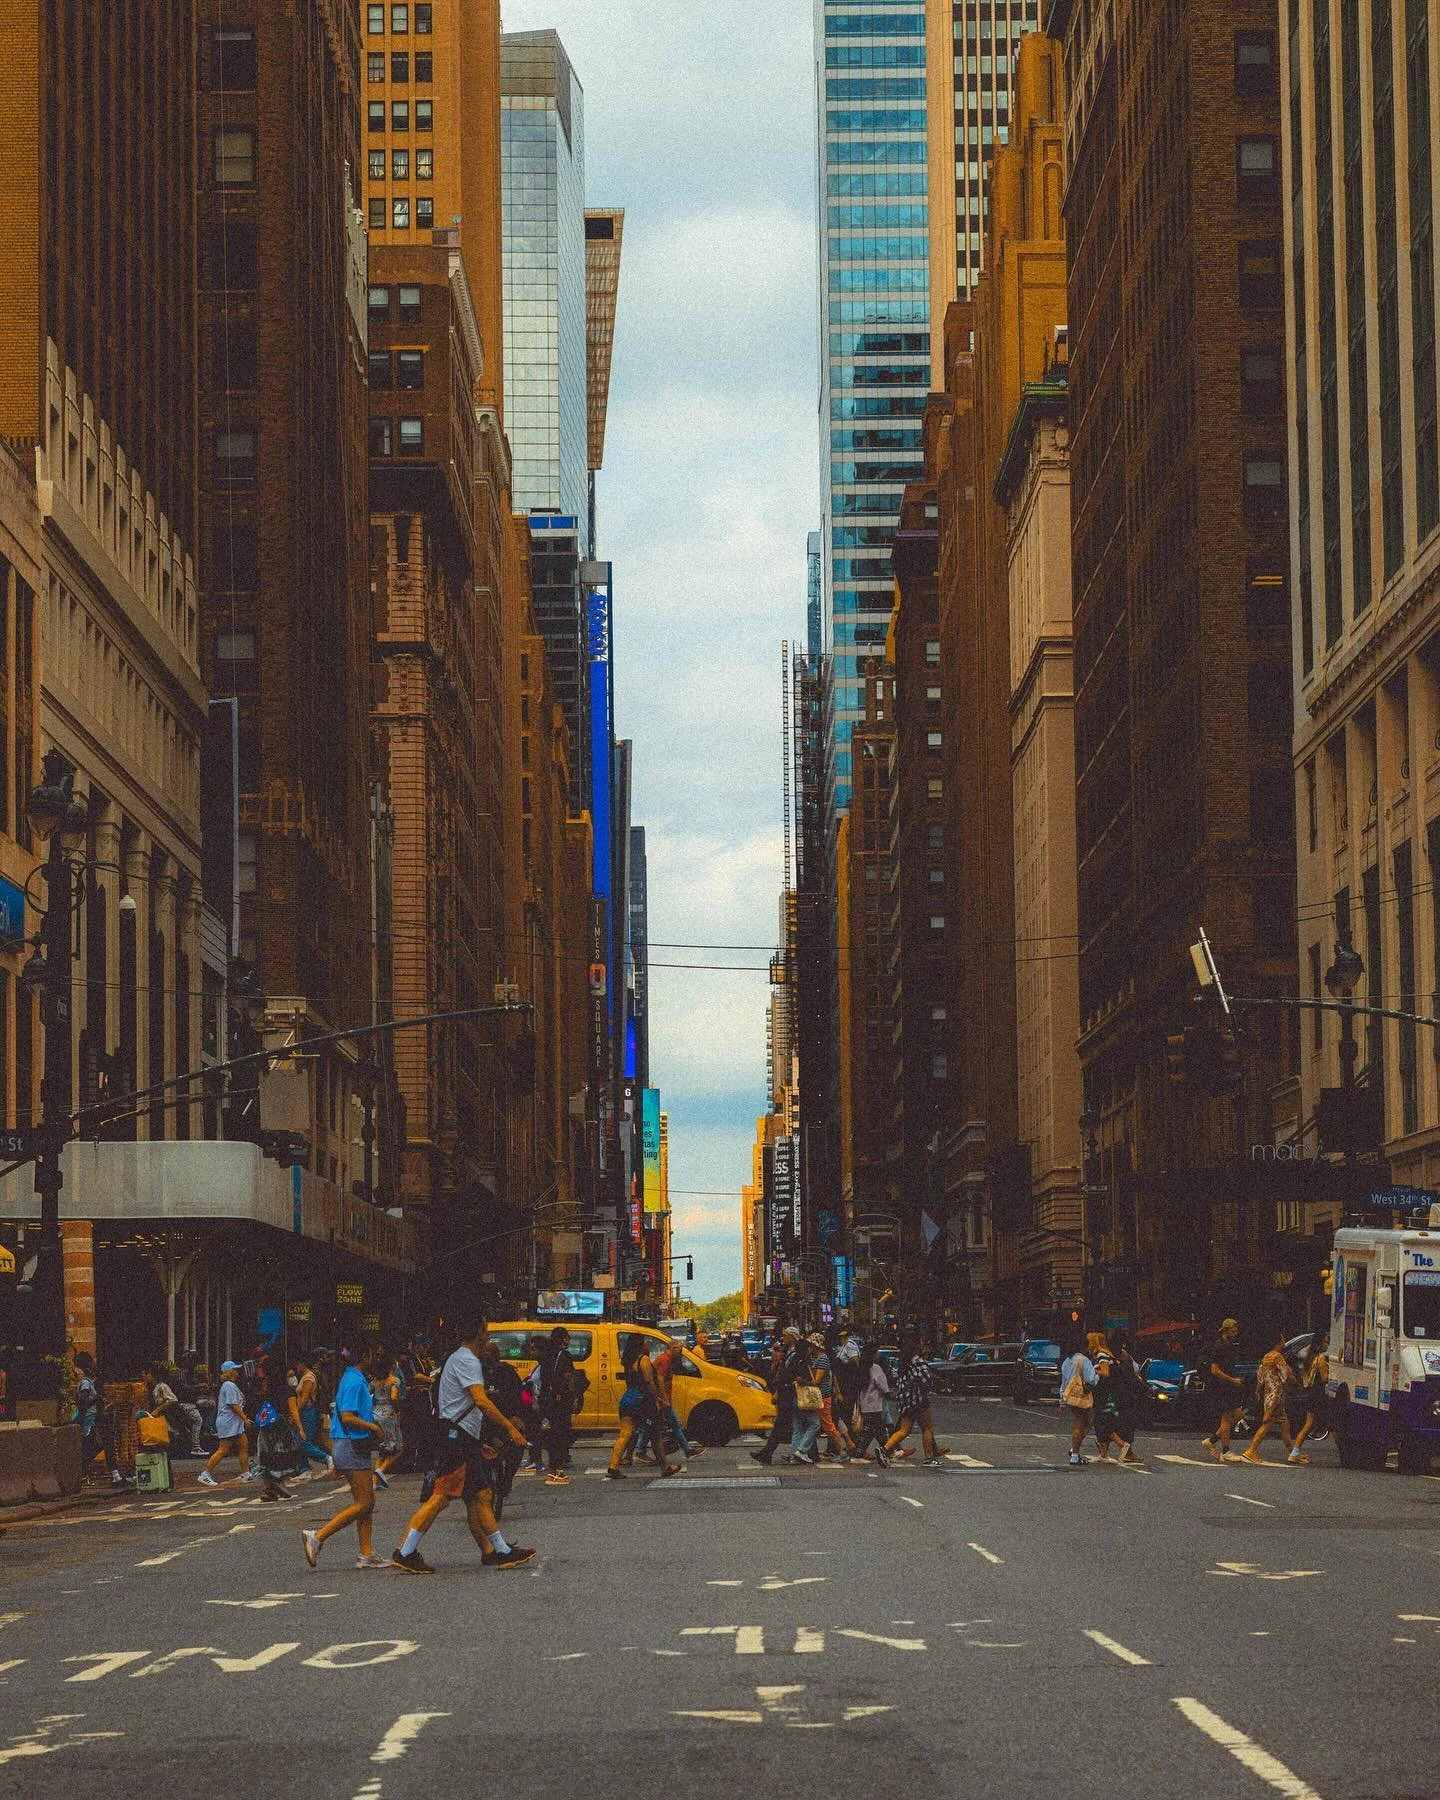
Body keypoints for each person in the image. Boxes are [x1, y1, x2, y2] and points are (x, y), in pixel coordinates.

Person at [390, 1316, 535, 1572]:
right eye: (486, 1331)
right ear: (479, 1333)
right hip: (455, 1438)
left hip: (460, 1436)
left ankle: (500, 1551)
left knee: (481, 1494)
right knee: (441, 1497)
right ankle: (406, 1551)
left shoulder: (458, 1358)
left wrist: (476, 1442)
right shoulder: (467, 1360)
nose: (487, 1336)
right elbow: (480, 1400)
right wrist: (510, 1428)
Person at [301, 1342, 388, 1567]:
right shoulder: (354, 1381)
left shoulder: (352, 1378)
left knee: (365, 1501)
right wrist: (373, 1428)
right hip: (352, 1444)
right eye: (373, 1354)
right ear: (365, 1355)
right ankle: (318, 1536)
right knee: (365, 1503)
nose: (375, 1359)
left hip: (349, 1444)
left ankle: (366, 1554)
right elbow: (348, 1416)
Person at [607, 1333, 678, 1478]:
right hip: (642, 1400)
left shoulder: (628, 1361)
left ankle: (613, 1467)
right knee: (655, 1435)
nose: (647, 1345)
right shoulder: (643, 1360)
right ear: (640, 1345)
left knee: (625, 1434)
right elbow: (649, 1382)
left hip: (628, 1399)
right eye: (645, 1342)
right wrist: (657, 1399)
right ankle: (665, 1467)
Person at [884, 1329, 943, 1465]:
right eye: (922, 1342)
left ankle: (884, 1449)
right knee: (927, 1428)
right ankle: (929, 1457)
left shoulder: (904, 1361)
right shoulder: (918, 1362)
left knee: (904, 1430)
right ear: (917, 1345)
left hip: (906, 1400)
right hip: (919, 1399)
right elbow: (925, 1381)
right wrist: (931, 1385)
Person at [74, 1351, 130, 1488]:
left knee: (102, 1445)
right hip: (91, 1421)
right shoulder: (87, 1382)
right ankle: (79, 1472)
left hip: (94, 1420)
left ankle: (115, 1476)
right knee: (96, 1446)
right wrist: (96, 1399)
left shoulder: (89, 1381)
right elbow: (84, 1402)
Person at [1241, 1327, 1297, 1464]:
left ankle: (1294, 1453)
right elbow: (1286, 1373)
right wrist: (1298, 1383)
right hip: (1276, 1393)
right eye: (1283, 1339)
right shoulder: (1277, 1356)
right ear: (1279, 1341)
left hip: (1268, 1393)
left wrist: (1258, 1391)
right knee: (1268, 1422)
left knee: (1284, 1423)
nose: (1285, 1341)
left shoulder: (1266, 1357)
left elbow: (1260, 1376)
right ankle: (1251, 1450)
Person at [750, 1331, 802, 1465]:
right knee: (797, 1424)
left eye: (785, 1336)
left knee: (786, 1424)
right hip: (786, 1392)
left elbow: (791, 1372)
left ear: (792, 1337)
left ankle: (767, 1453)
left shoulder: (797, 1352)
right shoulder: (789, 1351)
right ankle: (808, 1453)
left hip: (791, 1393)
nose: (783, 1338)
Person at [1200, 1318, 1247, 1463]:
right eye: (1233, 1331)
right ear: (1225, 1330)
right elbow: (1215, 1370)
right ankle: (1226, 1451)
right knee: (1226, 1418)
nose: (1235, 1333)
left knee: (1237, 1415)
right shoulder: (1219, 1347)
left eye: (1236, 1331)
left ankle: (1211, 1440)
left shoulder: (1230, 1345)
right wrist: (1232, 1380)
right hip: (1221, 1387)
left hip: (1229, 1386)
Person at [537, 1325, 579, 1485]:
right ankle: (556, 1471)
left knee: (553, 1433)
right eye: (568, 1337)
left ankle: (554, 1468)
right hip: (561, 1400)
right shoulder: (565, 1356)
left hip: (547, 1398)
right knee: (562, 1433)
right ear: (563, 1339)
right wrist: (574, 1397)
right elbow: (568, 1377)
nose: (569, 1341)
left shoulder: (547, 1354)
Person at [198, 1360, 250, 1486]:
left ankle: (246, 1473)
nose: (237, 1372)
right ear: (230, 1372)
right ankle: (205, 1474)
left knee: (244, 1446)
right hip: (228, 1422)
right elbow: (233, 1405)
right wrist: (245, 1418)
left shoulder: (231, 1385)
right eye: (235, 1369)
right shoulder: (229, 1386)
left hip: (234, 1422)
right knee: (223, 1449)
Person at [144, 1362, 204, 1458]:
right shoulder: (152, 1387)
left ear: (151, 1374)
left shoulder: (161, 1386)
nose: (144, 1377)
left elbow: (173, 1399)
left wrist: (158, 1410)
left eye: (146, 1374)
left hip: (165, 1419)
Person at [849, 1341, 891, 1466]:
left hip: (864, 1404)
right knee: (869, 1431)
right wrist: (889, 1393)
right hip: (875, 1404)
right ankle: (858, 1454)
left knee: (879, 1430)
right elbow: (883, 1386)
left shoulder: (862, 1368)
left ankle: (889, 1450)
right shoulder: (876, 1368)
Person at [286, 1360, 331, 1475]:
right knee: (300, 1440)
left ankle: (326, 1458)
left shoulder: (308, 1378)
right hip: (305, 1411)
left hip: (307, 1411)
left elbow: (305, 1398)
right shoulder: (305, 1377)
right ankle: (304, 1468)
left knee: (302, 1441)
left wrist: (296, 1412)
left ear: (301, 1364)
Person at [1291, 1333, 1329, 1462]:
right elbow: (1325, 1378)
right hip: (1319, 1394)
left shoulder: (1309, 1359)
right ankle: (1294, 1452)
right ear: (1319, 1345)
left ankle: (1295, 1451)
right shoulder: (1321, 1359)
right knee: (1332, 1423)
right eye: (1325, 1342)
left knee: (1308, 1424)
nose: (1327, 1344)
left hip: (1310, 1393)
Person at [1059, 1338, 1098, 1465]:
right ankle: (1075, 1455)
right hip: (1081, 1397)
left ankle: (1074, 1448)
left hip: (1070, 1396)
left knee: (1089, 1420)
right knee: (1080, 1423)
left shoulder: (1066, 1361)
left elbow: (1064, 1383)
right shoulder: (1083, 1360)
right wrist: (1099, 1374)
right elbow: (1091, 1379)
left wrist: (1062, 1402)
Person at [370, 1348, 404, 1487]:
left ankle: (375, 1482)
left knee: (382, 1448)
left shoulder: (374, 1382)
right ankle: (380, 1470)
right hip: (389, 1413)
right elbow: (394, 1397)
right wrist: (397, 1408)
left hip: (375, 1413)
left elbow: (367, 1396)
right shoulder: (394, 1380)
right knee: (398, 1447)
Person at [1111, 1338, 1145, 1464]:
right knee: (1126, 1423)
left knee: (1125, 1423)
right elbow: (1133, 1378)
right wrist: (1145, 1389)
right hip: (1126, 1397)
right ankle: (1124, 1447)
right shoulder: (1122, 1363)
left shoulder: (1120, 1361)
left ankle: (1127, 1451)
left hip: (1123, 1396)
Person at [1088, 1333, 1121, 1463]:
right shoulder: (1107, 1354)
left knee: (1100, 1420)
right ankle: (1103, 1453)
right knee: (1104, 1419)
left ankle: (1121, 1443)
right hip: (1108, 1391)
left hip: (1103, 1392)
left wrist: (1092, 1371)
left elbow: (1105, 1372)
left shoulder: (1102, 1356)